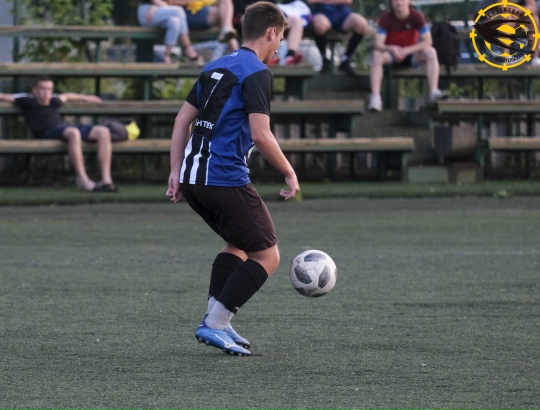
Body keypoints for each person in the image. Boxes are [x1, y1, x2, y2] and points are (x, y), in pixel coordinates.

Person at [166, 1, 300, 356]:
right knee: (268, 256)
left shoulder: (214, 66)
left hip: (194, 179)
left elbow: (181, 121)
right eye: (280, 39)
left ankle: (217, 320)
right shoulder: (257, 72)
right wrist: (288, 171)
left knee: (239, 246)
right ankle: (215, 324)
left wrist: (175, 171)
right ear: (271, 32)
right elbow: (261, 134)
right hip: (223, 178)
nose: (278, 46)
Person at [0, 76, 117, 192]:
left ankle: (106, 180)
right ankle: (82, 179)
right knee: (74, 133)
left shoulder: (54, 100)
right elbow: (4, 96)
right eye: (42, 89)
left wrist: (86, 98)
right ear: (34, 90)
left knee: (103, 131)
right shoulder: (27, 100)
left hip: (62, 129)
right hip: (47, 132)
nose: (46, 92)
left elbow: (67, 96)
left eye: (49, 89)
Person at [368, 0, 446, 112]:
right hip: (391, 56)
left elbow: (428, 41)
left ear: (409, 1)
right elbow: (378, 44)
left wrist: (407, 50)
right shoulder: (385, 19)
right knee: (376, 55)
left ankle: (433, 91)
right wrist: (391, 48)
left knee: (431, 52)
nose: (399, 2)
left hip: (411, 55)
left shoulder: (417, 17)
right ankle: (375, 97)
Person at [233, 0, 307, 65]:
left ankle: (290, 56)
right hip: (246, 23)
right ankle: (266, 57)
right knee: (262, 22)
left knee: (296, 22)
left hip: (268, 19)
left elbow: (274, 9)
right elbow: (238, 14)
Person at [307, 0, 368, 74]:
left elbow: (348, 1)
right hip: (321, 12)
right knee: (319, 25)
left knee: (361, 24)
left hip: (342, 13)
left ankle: (345, 59)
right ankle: (324, 59)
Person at [168, 0, 240, 51]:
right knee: (222, 15)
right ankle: (236, 51)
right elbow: (171, 2)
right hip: (186, 15)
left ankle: (227, 29)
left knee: (225, 2)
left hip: (205, 10)